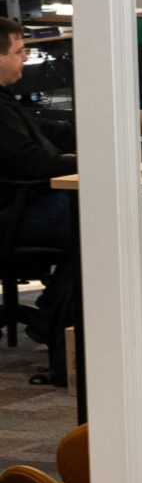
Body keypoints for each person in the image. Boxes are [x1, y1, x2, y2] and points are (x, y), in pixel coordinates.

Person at [0, 20, 79, 371]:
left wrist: (95, 128)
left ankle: (57, 316)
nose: (25, 57)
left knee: (101, 218)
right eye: (19, 52)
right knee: (103, 225)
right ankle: (53, 320)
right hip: (13, 210)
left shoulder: (5, 101)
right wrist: (88, 164)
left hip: (27, 203)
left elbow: (42, 130)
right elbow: (31, 163)